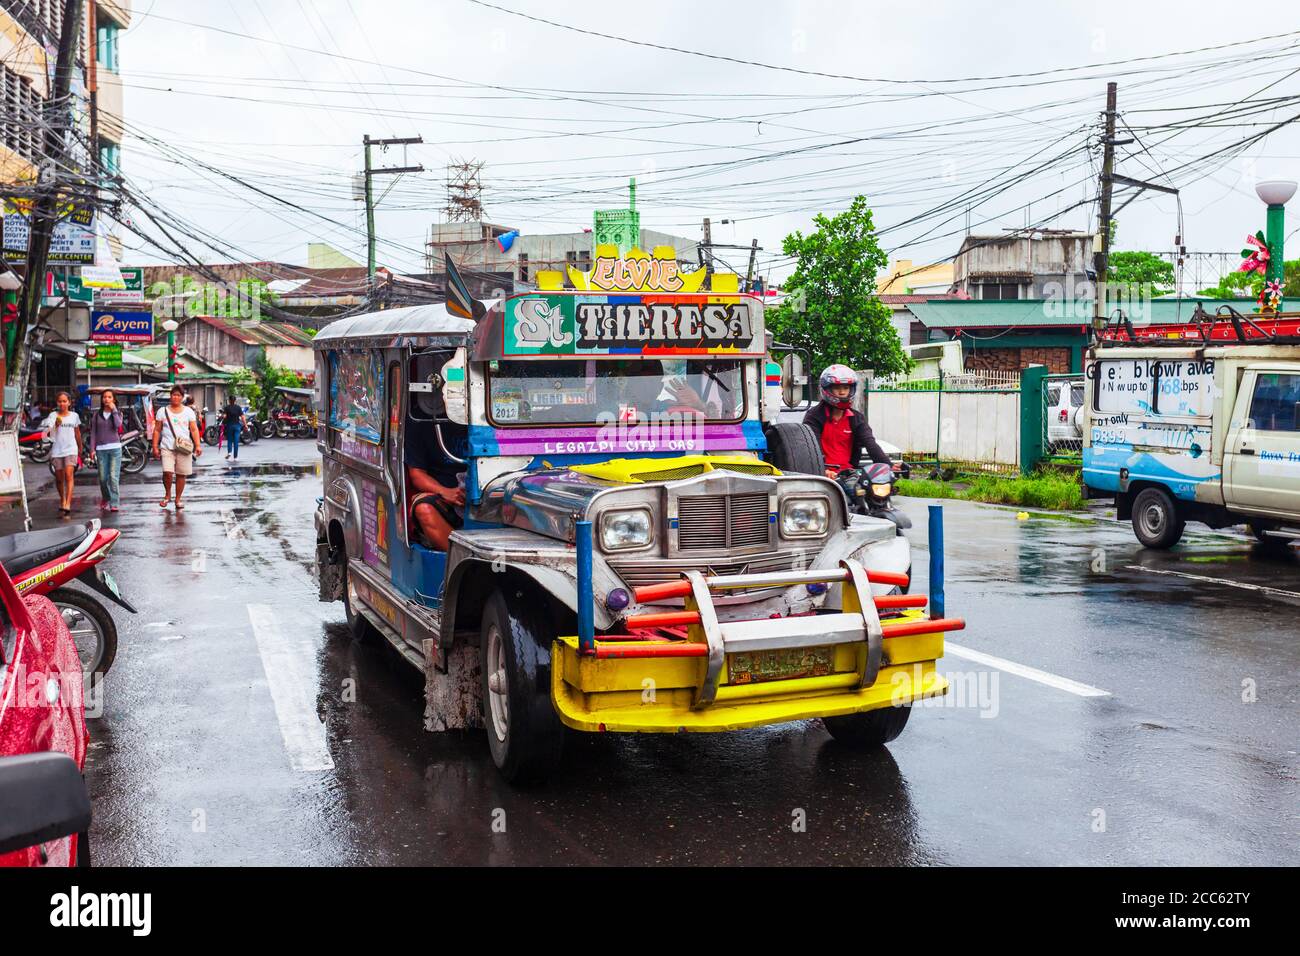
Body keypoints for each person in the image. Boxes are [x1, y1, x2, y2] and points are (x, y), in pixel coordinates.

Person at [803, 364, 892, 478]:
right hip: (822, 476)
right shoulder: (814, 416)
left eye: (846, 388)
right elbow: (811, 449)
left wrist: (888, 465)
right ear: (826, 389)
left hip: (849, 475)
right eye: (837, 388)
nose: (842, 392)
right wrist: (822, 470)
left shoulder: (856, 418)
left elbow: (870, 444)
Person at [404, 416, 464, 551]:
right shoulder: (419, 421)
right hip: (443, 498)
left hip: (488, 493)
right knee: (424, 510)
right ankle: (460, 561)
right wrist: (445, 492)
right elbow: (417, 474)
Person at [152, 384, 203, 511]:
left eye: (178, 395)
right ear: (170, 396)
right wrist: (155, 446)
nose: (175, 397)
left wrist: (197, 445)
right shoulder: (162, 411)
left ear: (182, 397)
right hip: (167, 447)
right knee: (167, 472)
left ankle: (178, 499)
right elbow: (157, 430)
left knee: (181, 474)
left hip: (184, 447)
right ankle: (167, 494)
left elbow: (194, 429)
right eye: (173, 395)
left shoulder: (188, 411)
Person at [42, 391, 82, 517]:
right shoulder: (53, 416)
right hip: (57, 450)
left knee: (69, 475)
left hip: (71, 449)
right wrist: (55, 426)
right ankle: (62, 500)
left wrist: (80, 447)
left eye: (65, 401)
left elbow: (77, 433)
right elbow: (48, 435)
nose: (62, 403)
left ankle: (68, 503)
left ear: (69, 403)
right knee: (59, 479)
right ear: (57, 403)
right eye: (60, 401)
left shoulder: (74, 416)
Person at [88, 389, 124, 513]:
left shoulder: (118, 413)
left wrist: (114, 410)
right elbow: (93, 433)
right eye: (104, 397)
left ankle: (114, 503)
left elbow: (118, 425)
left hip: (115, 449)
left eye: (109, 397)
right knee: (103, 478)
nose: (106, 399)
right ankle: (106, 497)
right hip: (101, 450)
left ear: (113, 399)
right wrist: (92, 449)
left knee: (113, 477)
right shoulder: (97, 415)